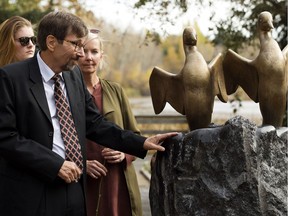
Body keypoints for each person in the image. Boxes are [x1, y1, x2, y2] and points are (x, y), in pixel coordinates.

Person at [0, 11, 176, 216]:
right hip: (32, 195)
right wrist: (54, 165)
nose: (81, 54)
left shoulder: (74, 76)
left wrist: (140, 142)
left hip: (75, 192)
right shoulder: (10, 78)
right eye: (75, 45)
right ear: (51, 42)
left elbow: (95, 123)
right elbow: (6, 138)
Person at [78, 31, 143, 216]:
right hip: (82, 179)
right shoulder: (64, 92)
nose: (88, 57)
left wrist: (124, 154)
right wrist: (81, 164)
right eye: (83, 51)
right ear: (75, 53)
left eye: (94, 51)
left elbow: (134, 135)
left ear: (101, 56)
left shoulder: (116, 90)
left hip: (117, 179)